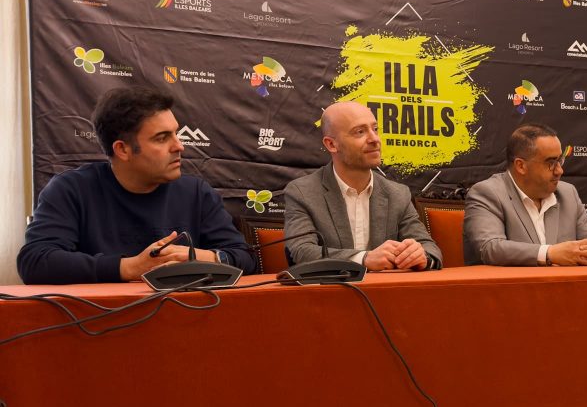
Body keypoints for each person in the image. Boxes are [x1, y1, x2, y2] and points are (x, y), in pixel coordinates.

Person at [17, 85, 255, 285]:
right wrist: (130, 267)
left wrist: (199, 257)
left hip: (184, 317)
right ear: (123, 149)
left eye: (176, 134)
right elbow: (35, 262)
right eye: (162, 138)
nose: (179, 146)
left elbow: (245, 258)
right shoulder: (71, 189)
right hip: (100, 319)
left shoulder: (196, 193)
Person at [283, 101, 441, 271]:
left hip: (385, 287)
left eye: (375, 129)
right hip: (329, 288)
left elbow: (429, 249)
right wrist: (363, 259)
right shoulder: (302, 192)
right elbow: (301, 252)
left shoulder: (397, 194)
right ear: (331, 144)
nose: (374, 139)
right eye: (360, 132)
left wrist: (421, 256)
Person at [463, 123, 587, 266]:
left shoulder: (567, 193)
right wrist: (549, 253)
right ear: (521, 166)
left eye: (560, 160)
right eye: (551, 163)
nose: (559, 170)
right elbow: (490, 248)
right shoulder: (488, 193)